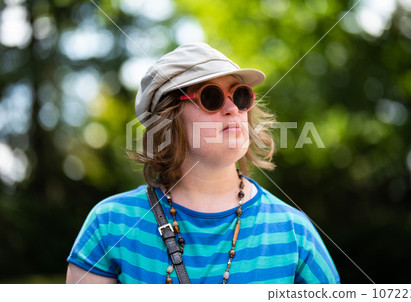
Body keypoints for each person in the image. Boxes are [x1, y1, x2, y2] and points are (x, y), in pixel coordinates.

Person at [66, 42, 340, 284]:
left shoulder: (293, 230)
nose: (233, 108)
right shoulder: (111, 224)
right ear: (167, 120)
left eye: (240, 95)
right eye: (211, 97)